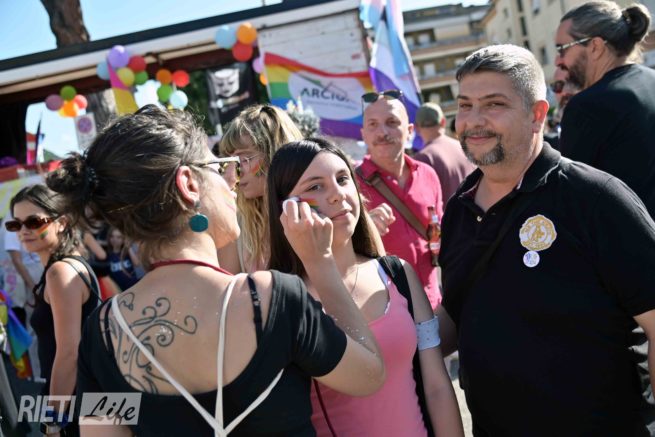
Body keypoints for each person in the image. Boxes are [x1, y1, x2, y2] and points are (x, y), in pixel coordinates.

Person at [46, 105, 385, 436]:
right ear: (189, 184)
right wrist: (320, 264)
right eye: (220, 167)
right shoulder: (274, 298)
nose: (231, 182)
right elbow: (369, 375)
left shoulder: (102, 334)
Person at [436, 43, 655, 435]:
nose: (473, 120)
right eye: (465, 105)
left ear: (537, 114)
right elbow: (459, 313)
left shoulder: (595, 198)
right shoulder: (459, 208)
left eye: (494, 104)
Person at [268, 138, 463, 437]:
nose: (337, 194)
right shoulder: (282, 299)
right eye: (315, 186)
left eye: (343, 178)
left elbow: (437, 386)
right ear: (287, 208)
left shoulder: (398, 274)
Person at [8, 184, 100, 436]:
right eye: (16, 224)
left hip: (77, 401)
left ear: (61, 223)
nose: (23, 231)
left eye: (34, 222)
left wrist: (54, 420)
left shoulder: (60, 272)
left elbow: (69, 354)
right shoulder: (64, 266)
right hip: (83, 396)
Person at [555, 1, 655, 217]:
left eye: (562, 49)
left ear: (595, 47)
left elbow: (571, 197)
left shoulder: (588, 105)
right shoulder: (651, 80)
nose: (558, 60)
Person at [357, 90, 444, 309]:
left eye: (392, 122)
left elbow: (440, 232)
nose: (382, 132)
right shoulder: (349, 185)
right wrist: (363, 230)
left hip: (435, 302)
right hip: (389, 313)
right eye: (373, 125)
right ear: (363, 134)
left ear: (410, 131)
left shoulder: (428, 174)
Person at [217, 104, 304, 273]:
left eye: (245, 158)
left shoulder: (313, 210)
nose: (234, 170)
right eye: (230, 160)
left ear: (275, 153)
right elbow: (229, 282)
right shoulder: (237, 220)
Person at [413, 102, 476, 204]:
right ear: (443, 122)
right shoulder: (464, 147)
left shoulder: (423, 158)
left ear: (416, 127)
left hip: (448, 214)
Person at [106, 227, 140, 291]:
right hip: (119, 291)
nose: (115, 239)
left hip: (134, 286)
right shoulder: (106, 255)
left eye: (118, 237)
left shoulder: (127, 252)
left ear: (123, 239)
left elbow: (137, 263)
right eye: (112, 236)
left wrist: (128, 247)